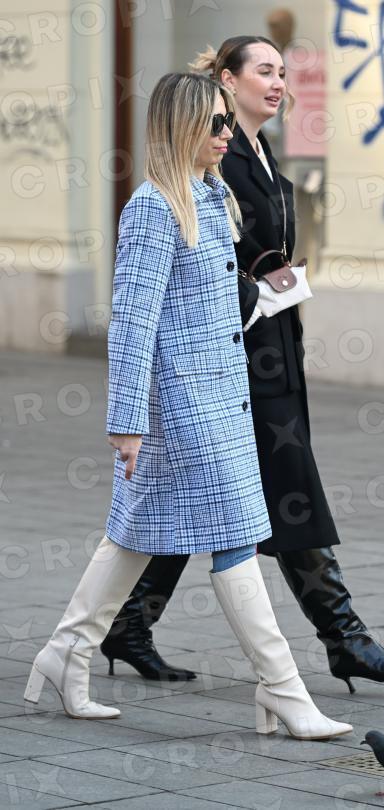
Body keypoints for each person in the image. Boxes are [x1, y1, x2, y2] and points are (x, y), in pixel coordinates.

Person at [24, 72, 352, 741]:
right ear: (180, 127)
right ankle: (282, 691)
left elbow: (211, 303)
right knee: (232, 537)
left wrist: (265, 295)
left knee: (132, 536)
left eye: (228, 122)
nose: (227, 134)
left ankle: (67, 653)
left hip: (222, 398)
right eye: (214, 123)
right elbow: (132, 322)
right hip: (180, 408)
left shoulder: (211, 195)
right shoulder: (153, 207)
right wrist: (126, 422)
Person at [101, 37, 384, 695]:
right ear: (227, 80)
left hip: (273, 344)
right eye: (264, 71)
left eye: (283, 72)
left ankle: (128, 623)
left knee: (209, 495)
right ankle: (344, 640)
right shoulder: (211, 164)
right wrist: (257, 291)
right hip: (234, 354)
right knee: (286, 486)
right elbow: (191, 273)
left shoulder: (256, 152)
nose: (279, 83)